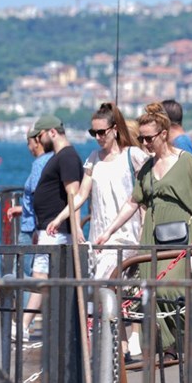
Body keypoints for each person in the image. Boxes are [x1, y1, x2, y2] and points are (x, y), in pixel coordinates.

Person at [95, 102, 192, 352]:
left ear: (163, 134)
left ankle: (182, 340)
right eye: (141, 139)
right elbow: (133, 202)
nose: (145, 143)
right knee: (149, 290)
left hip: (180, 232)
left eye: (149, 138)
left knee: (169, 288)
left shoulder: (185, 162)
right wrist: (109, 230)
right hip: (152, 231)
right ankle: (169, 347)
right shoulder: (148, 168)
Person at [46, 103, 148, 280]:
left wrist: (144, 230)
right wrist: (59, 218)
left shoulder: (133, 155)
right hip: (99, 237)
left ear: (114, 130)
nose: (98, 137)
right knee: (101, 292)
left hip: (127, 237)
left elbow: (144, 197)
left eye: (102, 132)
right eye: (94, 133)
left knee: (103, 283)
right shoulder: (94, 158)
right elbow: (81, 195)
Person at [19, 115, 83, 340]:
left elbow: (73, 194)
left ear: (52, 132)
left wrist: (74, 227)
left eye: (41, 134)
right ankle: (34, 325)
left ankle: (24, 326)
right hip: (49, 229)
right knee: (45, 277)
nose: (39, 139)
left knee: (42, 276)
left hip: (55, 231)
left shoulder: (66, 156)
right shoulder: (59, 156)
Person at [6, 125, 54, 304]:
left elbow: (38, 197)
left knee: (24, 275)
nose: (28, 148)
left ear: (37, 142)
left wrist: (35, 226)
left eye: (29, 143)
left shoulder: (40, 164)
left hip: (31, 228)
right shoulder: (51, 161)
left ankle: (23, 323)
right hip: (35, 224)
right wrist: (22, 209)